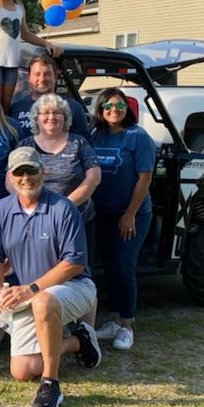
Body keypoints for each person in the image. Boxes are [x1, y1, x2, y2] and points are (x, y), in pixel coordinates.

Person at [0, 146, 102, 407]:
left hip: (76, 286)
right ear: (10, 177)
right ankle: (79, 341)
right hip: (31, 294)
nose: (26, 178)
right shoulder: (0, 211)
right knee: (22, 370)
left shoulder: (63, 208)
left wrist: (32, 289)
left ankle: (51, 383)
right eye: (19, 172)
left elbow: (74, 263)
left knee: (43, 302)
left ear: (43, 172)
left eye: (31, 170)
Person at [89, 87, 156, 351]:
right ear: (100, 110)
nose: (113, 111)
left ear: (127, 108)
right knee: (110, 265)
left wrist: (129, 214)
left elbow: (145, 177)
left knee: (124, 266)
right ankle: (115, 320)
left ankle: (127, 325)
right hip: (103, 213)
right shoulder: (96, 134)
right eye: (107, 106)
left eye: (119, 106)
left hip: (132, 214)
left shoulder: (137, 137)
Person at [26, 95, 101, 259]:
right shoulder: (26, 145)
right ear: (36, 118)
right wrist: (35, 208)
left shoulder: (79, 143)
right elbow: (11, 180)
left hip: (77, 218)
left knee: (78, 273)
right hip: (37, 220)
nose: (51, 117)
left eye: (57, 113)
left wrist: (64, 207)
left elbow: (94, 177)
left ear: (65, 118)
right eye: (45, 113)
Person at [9, 54, 89, 140]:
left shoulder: (73, 107)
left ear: (55, 77)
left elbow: (84, 142)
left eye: (47, 74)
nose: (42, 79)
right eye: (37, 74)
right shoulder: (16, 108)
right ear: (29, 78)